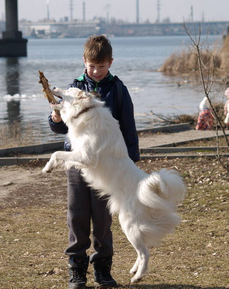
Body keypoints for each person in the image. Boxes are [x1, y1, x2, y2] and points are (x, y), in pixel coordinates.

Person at [47, 35, 139, 289]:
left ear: (110, 63)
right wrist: (55, 119)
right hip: (77, 163)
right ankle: (76, 269)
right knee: (76, 214)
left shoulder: (118, 89)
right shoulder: (73, 87)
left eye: (101, 66)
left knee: (103, 218)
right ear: (84, 62)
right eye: (91, 66)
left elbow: (129, 128)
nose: (96, 71)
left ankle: (102, 269)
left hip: (107, 167)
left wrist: (131, 161)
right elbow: (59, 126)